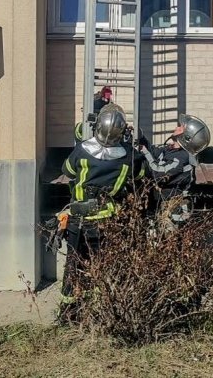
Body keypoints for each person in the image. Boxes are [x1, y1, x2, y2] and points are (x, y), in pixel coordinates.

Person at [59, 103, 143, 308]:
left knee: (73, 263)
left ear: (97, 126)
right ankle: (100, 307)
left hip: (78, 220)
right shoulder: (129, 156)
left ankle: (69, 309)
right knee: (103, 263)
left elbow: (67, 171)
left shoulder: (82, 150)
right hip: (107, 220)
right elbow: (140, 175)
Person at [139, 114, 211, 225]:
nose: (176, 128)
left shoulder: (181, 158)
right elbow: (153, 152)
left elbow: (158, 174)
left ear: (186, 137)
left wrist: (144, 152)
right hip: (160, 204)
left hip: (172, 211)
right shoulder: (171, 150)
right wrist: (140, 137)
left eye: (180, 128)